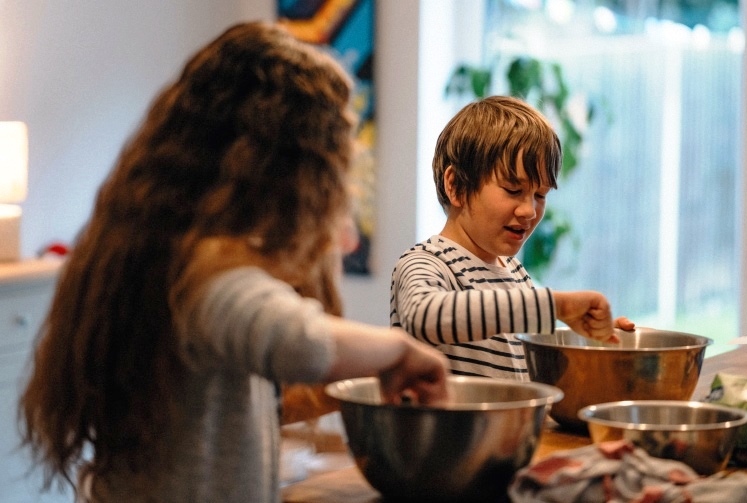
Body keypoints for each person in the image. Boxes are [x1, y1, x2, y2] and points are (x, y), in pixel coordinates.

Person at [18, 22, 449, 503]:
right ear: (285, 170)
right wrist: (400, 350)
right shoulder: (203, 269)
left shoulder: (157, 243)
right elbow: (298, 340)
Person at [390, 95, 633, 380]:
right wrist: (557, 305)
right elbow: (424, 316)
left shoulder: (516, 273)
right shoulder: (426, 263)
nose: (530, 210)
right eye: (513, 190)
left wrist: (590, 337)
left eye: (540, 195)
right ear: (455, 186)